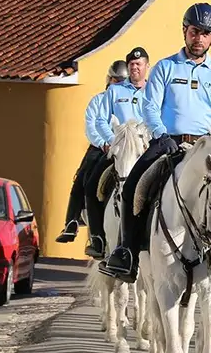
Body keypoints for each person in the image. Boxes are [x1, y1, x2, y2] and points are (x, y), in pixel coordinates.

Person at [99, 3, 211, 286]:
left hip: (208, 148)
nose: (200, 38)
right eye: (195, 31)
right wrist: (162, 134)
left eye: (206, 34)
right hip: (169, 142)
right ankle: (127, 253)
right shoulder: (165, 67)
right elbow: (150, 107)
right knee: (134, 183)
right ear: (185, 31)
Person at [56, 54, 147, 257]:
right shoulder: (100, 99)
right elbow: (93, 124)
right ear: (110, 80)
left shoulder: (141, 96)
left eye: (122, 81)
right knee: (85, 181)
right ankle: (79, 226)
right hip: (104, 146)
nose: (119, 84)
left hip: (133, 148)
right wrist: (105, 143)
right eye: (116, 80)